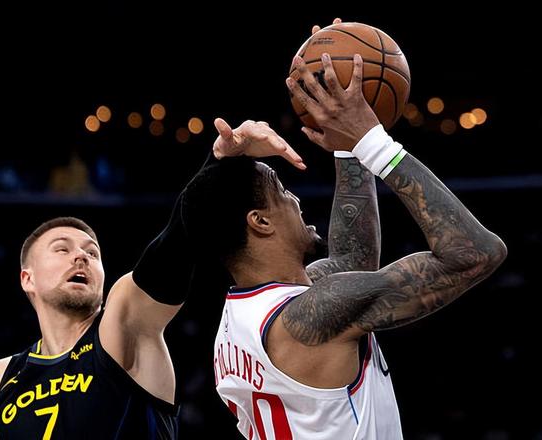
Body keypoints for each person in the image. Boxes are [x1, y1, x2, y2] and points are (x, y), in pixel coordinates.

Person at [197, 53, 508, 438]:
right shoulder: (312, 314)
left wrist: (347, 146)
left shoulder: (250, 314)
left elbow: (352, 259)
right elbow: (475, 254)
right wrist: (373, 143)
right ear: (259, 222)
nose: (295, 199)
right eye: (282, 192)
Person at [0, 127, 303, 438]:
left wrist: (218, 161)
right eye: (62, 249)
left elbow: (176, 243)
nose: (80, 257)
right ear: (27, 278)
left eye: (92, 253)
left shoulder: (120, 328)